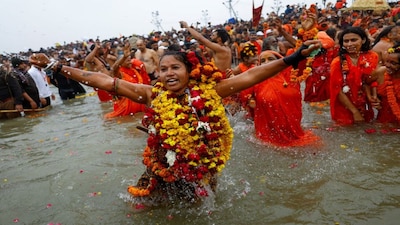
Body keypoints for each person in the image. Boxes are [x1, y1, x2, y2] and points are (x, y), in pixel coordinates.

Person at [49, 40, 321, 203]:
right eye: (163, 69)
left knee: (203, 207)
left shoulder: (211, 90)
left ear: (189, 71)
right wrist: (62, 69)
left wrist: (294, 57)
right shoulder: (151, 93)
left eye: (175, 68)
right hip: (161, 166)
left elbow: (252, 76)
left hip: (202, 166)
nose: (168, 73)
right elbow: (106, 81)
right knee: (145, 203)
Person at [252, 50, 319, 146]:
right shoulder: (256, 81)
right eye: (263, 61)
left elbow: (304, 56)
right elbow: (244, 97)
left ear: (280, 62)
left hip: (294, 131)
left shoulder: (292, 75)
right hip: (268, 137)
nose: (267, 63)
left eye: (270, 59)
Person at [330, 26, 379, 125]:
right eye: (346, 41)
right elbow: (337, 90)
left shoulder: (372, 56)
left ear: (363, 40)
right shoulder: (337, 62)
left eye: (353, 40)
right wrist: (355, 112)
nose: (349, 44)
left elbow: (372, 79)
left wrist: (374, 96)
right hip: (344, 107)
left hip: (365, 104)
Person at [104, 42, 150, 119]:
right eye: (127, 60)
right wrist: (124, 57)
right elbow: (114, 68)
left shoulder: (134, 69)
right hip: (126, 106)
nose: (130, 62)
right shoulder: (120, 73)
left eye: (130, 60)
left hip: (139, 102)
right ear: (121, 62)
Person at [371, 44, 400, 124]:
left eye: (393, 63)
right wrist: (373, 97)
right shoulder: (381, 72)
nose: (387, 65)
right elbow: (365, 83)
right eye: (387, 61)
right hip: (383, 123)